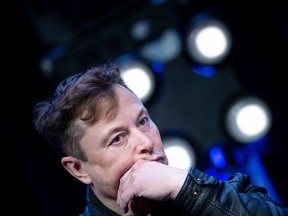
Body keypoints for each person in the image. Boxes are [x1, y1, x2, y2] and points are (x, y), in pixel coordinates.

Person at [32, 61, 288, 216]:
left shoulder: (227, 193)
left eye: (143, 122)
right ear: (78, 169)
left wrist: (185, 189)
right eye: (117, 139)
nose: (145, 142)